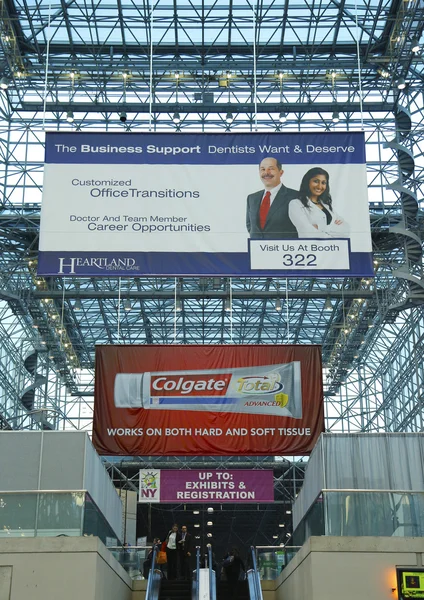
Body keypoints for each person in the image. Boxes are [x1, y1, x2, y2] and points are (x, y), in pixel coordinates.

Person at [246, 157, 299, 239]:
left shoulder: (295, 196)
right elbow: (250, 226)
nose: (266, 172)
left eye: (271, 169)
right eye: (263, 169)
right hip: (257, 250)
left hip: (284, 250)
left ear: (281, 173)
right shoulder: (252, 198)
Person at [288, 167, 349, 238]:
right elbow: (307, 233)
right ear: (307, 182)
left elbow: (346, 230)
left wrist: (320, 227)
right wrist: (334, 230)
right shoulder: (296, 204)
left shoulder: (326, 205)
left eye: (323, 183)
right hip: (312, 248)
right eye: (316, 181)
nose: (319, 186)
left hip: (333, 248)